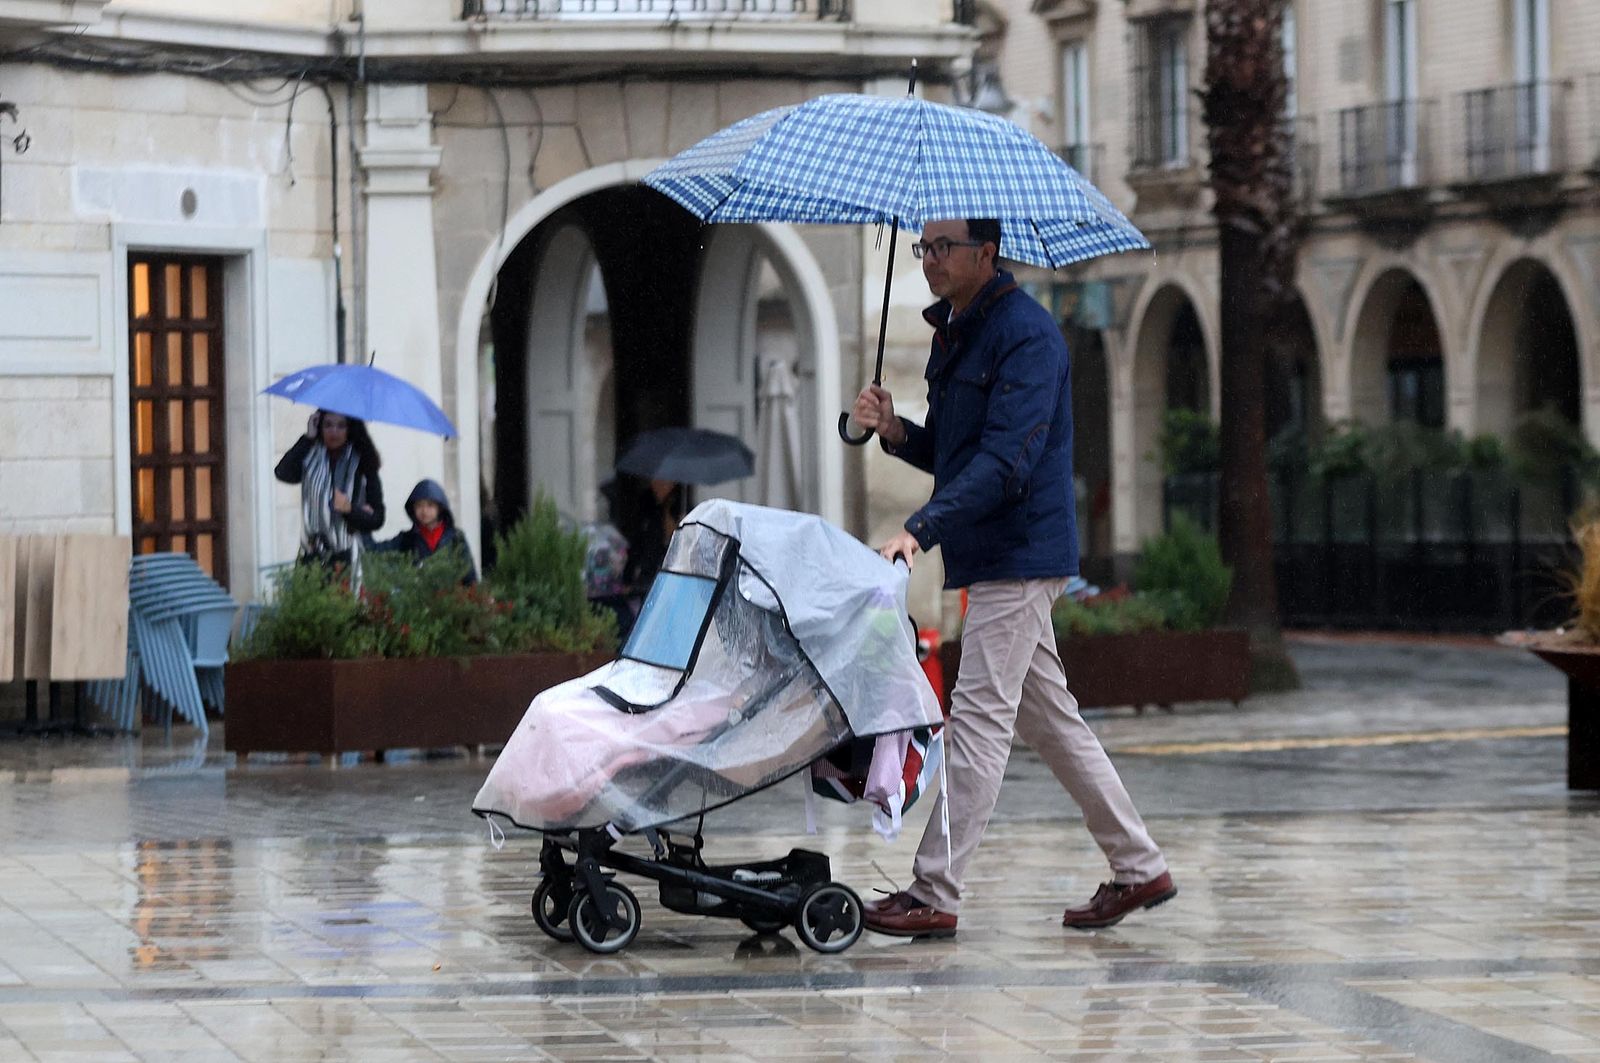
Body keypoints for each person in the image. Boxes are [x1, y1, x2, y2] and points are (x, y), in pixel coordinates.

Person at [849, 218, 1175, 938]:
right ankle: (1138, 865)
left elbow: (1007, 464)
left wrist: (920, 527)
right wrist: (896, 429)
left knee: (979, 720)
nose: (928, 259)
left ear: (986, 254)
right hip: (995, 554)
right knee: (1048, 718)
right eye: (922, 248)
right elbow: (957, 453)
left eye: (942, 248)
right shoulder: (958, 331)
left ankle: (935, 889)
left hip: (1020, 553)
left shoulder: (1027, 336)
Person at [274, 409, 385, 569]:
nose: (334, 431)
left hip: (348, 559)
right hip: (312, 557)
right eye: (328, 425)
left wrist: (350, 509)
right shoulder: (310, 456)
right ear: (319, 426)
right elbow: (282, 473)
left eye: (341, 426)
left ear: (350, 429)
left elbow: (377, 519)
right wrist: (307, 438)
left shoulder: (363, 462)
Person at [374, 478, 477, 585]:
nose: (424, 511)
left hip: (450, 599)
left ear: (440, 508)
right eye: (419, 505)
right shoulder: (407, 539)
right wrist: (362, 519)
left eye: (430, 505)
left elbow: (470, 577)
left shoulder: (456, 538)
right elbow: (374, 551)